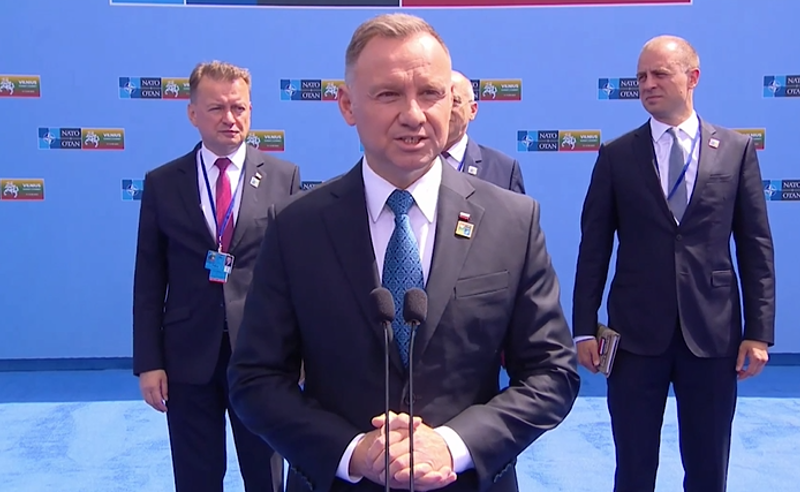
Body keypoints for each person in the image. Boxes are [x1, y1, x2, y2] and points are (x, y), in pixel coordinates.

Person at [227, 13, 579, 492]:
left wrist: (454, 446)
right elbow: (256, 378)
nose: (414, 114)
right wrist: (353, 452)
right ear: (347, 105)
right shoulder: (296, 227)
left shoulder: (514, 221)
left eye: (431, 93)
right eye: (389, 94)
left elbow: (552, 373)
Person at [572, 35, 775, 492]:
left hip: (713, 335)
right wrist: (584, 328)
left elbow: (756, 245)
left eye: (660, 74)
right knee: (633, 468)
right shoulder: (616, 155)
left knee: (708, 468)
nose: (647, 84)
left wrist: (759, 331)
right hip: (634, 336)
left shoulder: (736, 150)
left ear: (692, 77)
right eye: (641, 77)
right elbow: (594, 247)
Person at [132, 60, 301, 492]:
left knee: (265, 476)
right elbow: (149, 280)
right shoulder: (163, 183)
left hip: (261, 357)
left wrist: (302, 358)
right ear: (193, 113)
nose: (230, 118)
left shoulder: (283, 178)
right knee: (196, 478)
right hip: (187, 357)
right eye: (217, 108)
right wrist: (149, 362)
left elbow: (298, 277)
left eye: (239, 108)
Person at [442, 70, 526, 194]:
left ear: (472, 110)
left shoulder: (504, 171)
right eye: (439, 102)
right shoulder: (411, 162)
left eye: (455, 101)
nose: (445, 109)